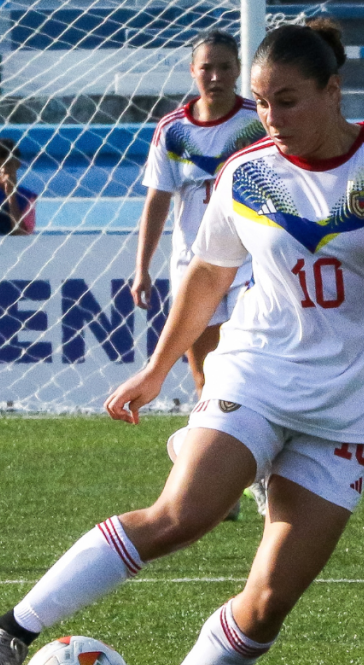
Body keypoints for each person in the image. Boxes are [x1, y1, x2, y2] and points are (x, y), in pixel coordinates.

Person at [0, 18, 364, 665]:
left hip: (350, 406)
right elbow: (207, 275)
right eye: (262, 102)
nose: (271, 118)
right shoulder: (247, 171)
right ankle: (10, 627)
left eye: (288, 101)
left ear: (333, 90)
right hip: (255, 371)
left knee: (268, 602)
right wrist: (156, 370)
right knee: (184, 514)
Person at [137, 30, 267, 521]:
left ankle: (259, 477)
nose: (215, 76)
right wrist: (141, 267)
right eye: (206, 67)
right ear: (192, 72)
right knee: (205, 376)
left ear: (240, 70)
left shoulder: (259, 121)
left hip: (255, 262)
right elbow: (157, 200)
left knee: (253, 371)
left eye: (224, 66)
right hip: (198, 269)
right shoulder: (173, 130)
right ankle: (221, 486)